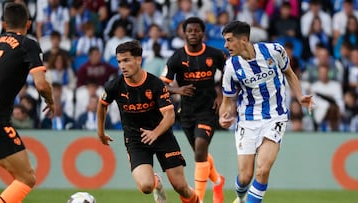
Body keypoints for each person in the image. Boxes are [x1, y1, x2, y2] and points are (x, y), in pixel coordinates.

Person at [219, 20, 313, 203]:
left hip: (275, 116)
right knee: (245, 177)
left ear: (244, 40)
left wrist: (300, 96)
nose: (226, 45)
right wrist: (224, 115)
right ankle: (240, 198)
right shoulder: (231, 66)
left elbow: (290, 74)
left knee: (262, 170)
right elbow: (226, 100)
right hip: (247, 120)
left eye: (230, 40)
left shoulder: (274, 51)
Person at [96, 40, 199, 203]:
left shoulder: (155, 84)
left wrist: (155, 133)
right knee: (146, 186)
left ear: (138, 60)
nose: (122, 66)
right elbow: (102, 106)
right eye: (119, 62)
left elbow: (170, 115)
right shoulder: (114, 85)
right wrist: (100, 132)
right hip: (136, 140)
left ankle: (196, 200)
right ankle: (156, 182)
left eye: (126, 60)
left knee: (181, 187)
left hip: (162, 135)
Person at [160, 17, 226, 203]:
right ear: (184, 33)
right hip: (186, 112)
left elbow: (229, 75)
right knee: (201, 154)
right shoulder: (177, 58)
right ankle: (218, 181)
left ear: (202, 33)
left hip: (208, 109)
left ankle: (199, 198)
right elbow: (160, 85)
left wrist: (221, 95)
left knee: (199, 150)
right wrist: (177, 90)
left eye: (197, 30)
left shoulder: (215, 55)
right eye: (190, 31)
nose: (193, 34)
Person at [0, 3, 54, 203]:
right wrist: (51, 101)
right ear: (28, 24)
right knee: (26, 178)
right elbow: (41, 85)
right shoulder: (27, 44)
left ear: (4, 24)